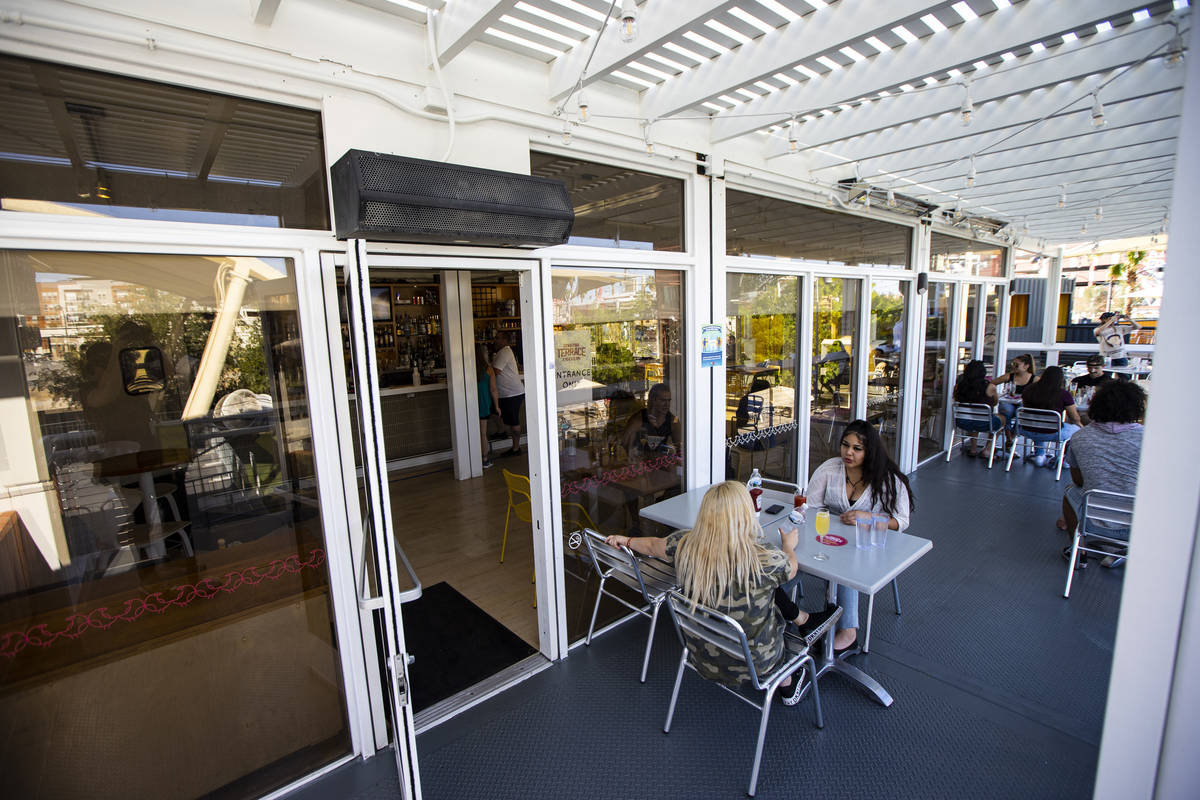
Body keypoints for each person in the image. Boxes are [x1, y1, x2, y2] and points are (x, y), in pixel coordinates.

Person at [606, 481, 836, 705]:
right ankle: (786, 681)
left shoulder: (684, 543)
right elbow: (792, 568)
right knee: (768, 592)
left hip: (701, 655)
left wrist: (625, 539)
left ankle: (801, 619)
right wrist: (788, 545)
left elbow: (652, 546)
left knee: (762, 590)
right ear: (745, 514)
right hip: (757, 663)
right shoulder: (765, 559)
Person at [807, 420, 914, 653]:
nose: (848, 452)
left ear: (869, 451)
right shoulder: (829, 470)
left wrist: (868, 519)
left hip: (870, 545)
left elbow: (902, 522)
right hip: (830, 541)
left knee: (847, 567)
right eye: (845, 445)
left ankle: (848, 633)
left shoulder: (888, 480)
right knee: (789, 558)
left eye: (857, 448)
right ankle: (783, 616)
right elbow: (811, 508)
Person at [1056, 381, 1146, 568]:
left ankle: (1077, 550)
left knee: (1070, 491)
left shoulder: (1080, 437)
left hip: (1093, 519)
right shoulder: (1148, 438)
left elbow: (1078, 480)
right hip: (1139, 522)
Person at [1017, 365, 1083, 466]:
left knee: (1038, 423)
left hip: (1026, 429)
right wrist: (1081, 427)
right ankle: (1065, 460)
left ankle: (1040, 456)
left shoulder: (1029, 390)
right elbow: (1075, 418)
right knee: (1077, 431)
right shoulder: (1063, 394)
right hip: (1052, 432)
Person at [952, 359, 1006, 457]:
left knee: (974, 417)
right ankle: (988, 449)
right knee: (1002, 419)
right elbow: (995, 402)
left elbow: (955, 398)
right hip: (984, 423)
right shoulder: (990, 387)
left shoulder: (958, 386)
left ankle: (973, 449)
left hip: (962, 422)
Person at [621, 382, 681, 456]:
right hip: (641, 463)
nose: (667, 404)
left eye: (669, 400)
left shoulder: (673, 420)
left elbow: (680, 448)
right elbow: (624, 443)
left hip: (661, 464)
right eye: (663, 400)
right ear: (653, 400)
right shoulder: (639, 418)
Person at [490, 331, 525, 457]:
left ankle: (516, 449)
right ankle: (501, 431)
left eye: (498, 338)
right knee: (493, 411)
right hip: (504, 394)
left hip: (512, 394)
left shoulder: (504, 351)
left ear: (505, 340)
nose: (495, 340)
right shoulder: (500, 352)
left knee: (514, 423)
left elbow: (495, 371)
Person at [990, 353, 1037, 431]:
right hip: (1009, 401)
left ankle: (1014, 432)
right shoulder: (1009, 376)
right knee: (1006, 409)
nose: (1014, 366)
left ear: (1026, 366)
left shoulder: (1034, 379)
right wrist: (994, 394)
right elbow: (992, 383)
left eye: (1016, 365)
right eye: (1013, 364)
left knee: (1022, 410)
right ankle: (1008, 433)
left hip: (1023, 403)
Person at [475, 343, 499, 468]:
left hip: (471, 403)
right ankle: (484, 458)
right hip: (484, 403)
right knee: (482, 433)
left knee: (472, 431)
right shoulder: (488, 369)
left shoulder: (469, 368)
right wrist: (497, 406)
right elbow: (493, 389)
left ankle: (472, 457)